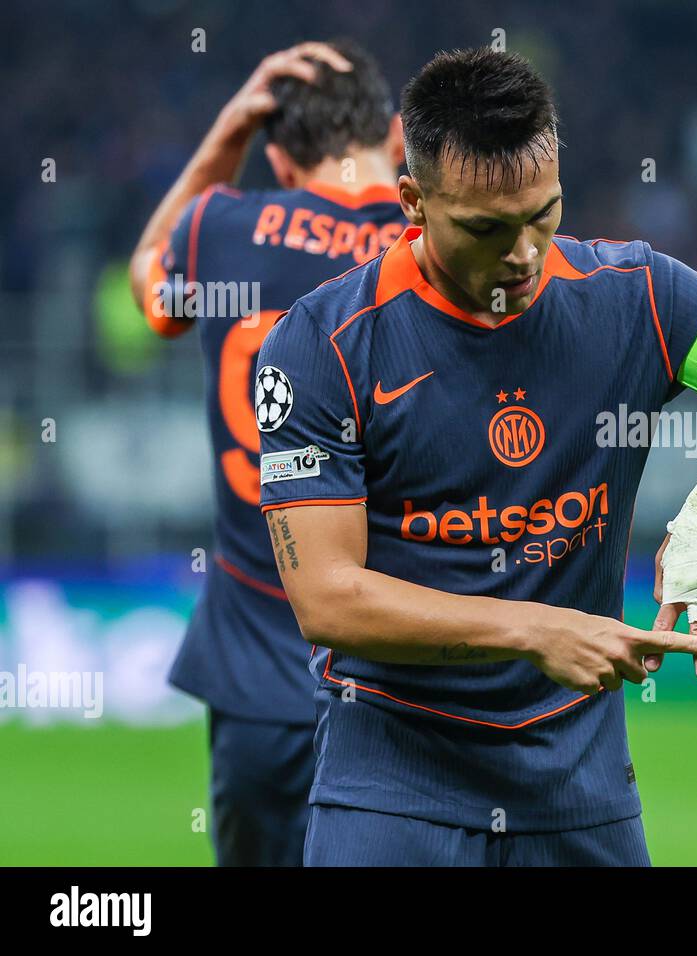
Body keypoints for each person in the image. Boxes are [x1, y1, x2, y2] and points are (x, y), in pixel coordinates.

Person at [256, 47, 697, 866]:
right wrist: (533, 628)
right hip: (390, 791)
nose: (522, 253)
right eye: (486, 228)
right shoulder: (322, 345)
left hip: (579, 797)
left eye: (543, 215)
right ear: (412, 202)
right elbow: (327, 600)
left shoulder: (640, 298)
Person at [129, 39, 408, 865]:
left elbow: (149, 285)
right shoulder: (433, 252)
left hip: (257, 660)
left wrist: (226, 132)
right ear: (396, 138)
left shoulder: (223, 225)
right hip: (401, 664)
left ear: (279, 157)